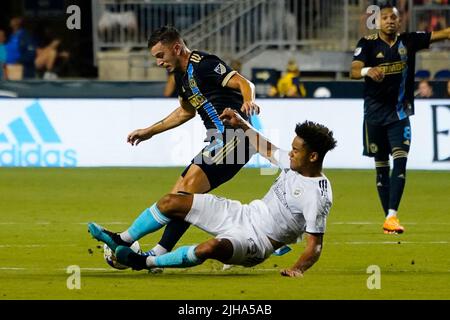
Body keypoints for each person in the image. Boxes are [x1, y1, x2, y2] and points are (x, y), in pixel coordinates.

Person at [88, 108, 337, 276]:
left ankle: (145, 262)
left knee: (210, 248)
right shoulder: (294, 164)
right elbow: (266, 147)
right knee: (172, 201)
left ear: (312, 156)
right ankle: (123, 240)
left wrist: (297, 269)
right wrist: (241, 123)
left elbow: (315, 246)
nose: (290, 153)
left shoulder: (317, 195)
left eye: (296, 150)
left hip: (258, 242)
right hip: (243, 214)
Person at [125, 26, 261, 265]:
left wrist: (248, 101)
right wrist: (149, 131)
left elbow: (243, 82)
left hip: (235, 137)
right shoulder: (181, 76)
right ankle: (157, 253)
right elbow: (184, 112)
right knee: (180, 197)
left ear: (176, 48)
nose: (158, 62)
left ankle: (135, 245)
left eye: (160, 56)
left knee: (187, 190)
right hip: (219, 140)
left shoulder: (203, 64)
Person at [350, 3, 450, 234]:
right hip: (373, 115)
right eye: (385, 18)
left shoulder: (409, 41)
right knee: (381, 168)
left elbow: (443, 34)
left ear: (400, 21)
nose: (390, 21)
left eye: (393, 18)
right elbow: (354, 70)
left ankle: (392, 215)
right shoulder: (367, 44)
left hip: (400, 113)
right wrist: (367, 71)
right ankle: (388, 218)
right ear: (378, 22)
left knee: (401, 161)